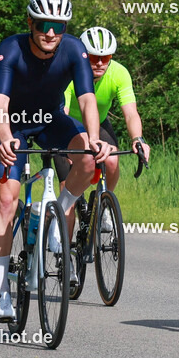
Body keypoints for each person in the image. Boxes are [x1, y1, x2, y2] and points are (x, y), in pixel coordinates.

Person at [0, 0, 112, 320]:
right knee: (6, 203)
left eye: (59, 25)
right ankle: (2, 294)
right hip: (13, 125)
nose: (51, 32)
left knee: (88, 157)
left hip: (51, 121)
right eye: (44, 24)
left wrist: (95, 138)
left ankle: (61, 215)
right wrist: (4, 138)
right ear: (30, 22)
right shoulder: (10, 48)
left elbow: (86, 98)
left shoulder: (74, 49)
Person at [54, 26, 151, 237]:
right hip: (68, 125)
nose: (99, 63)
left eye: (105, 57)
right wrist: (71, 150)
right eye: (93, 57)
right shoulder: (70, 72)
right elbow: (64, 112)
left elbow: (131, 113)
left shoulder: (119, 73)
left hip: (99, 124)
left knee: (112, 160)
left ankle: (103, 202)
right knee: (66, 187)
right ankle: (64, 257)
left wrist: (138, 139)